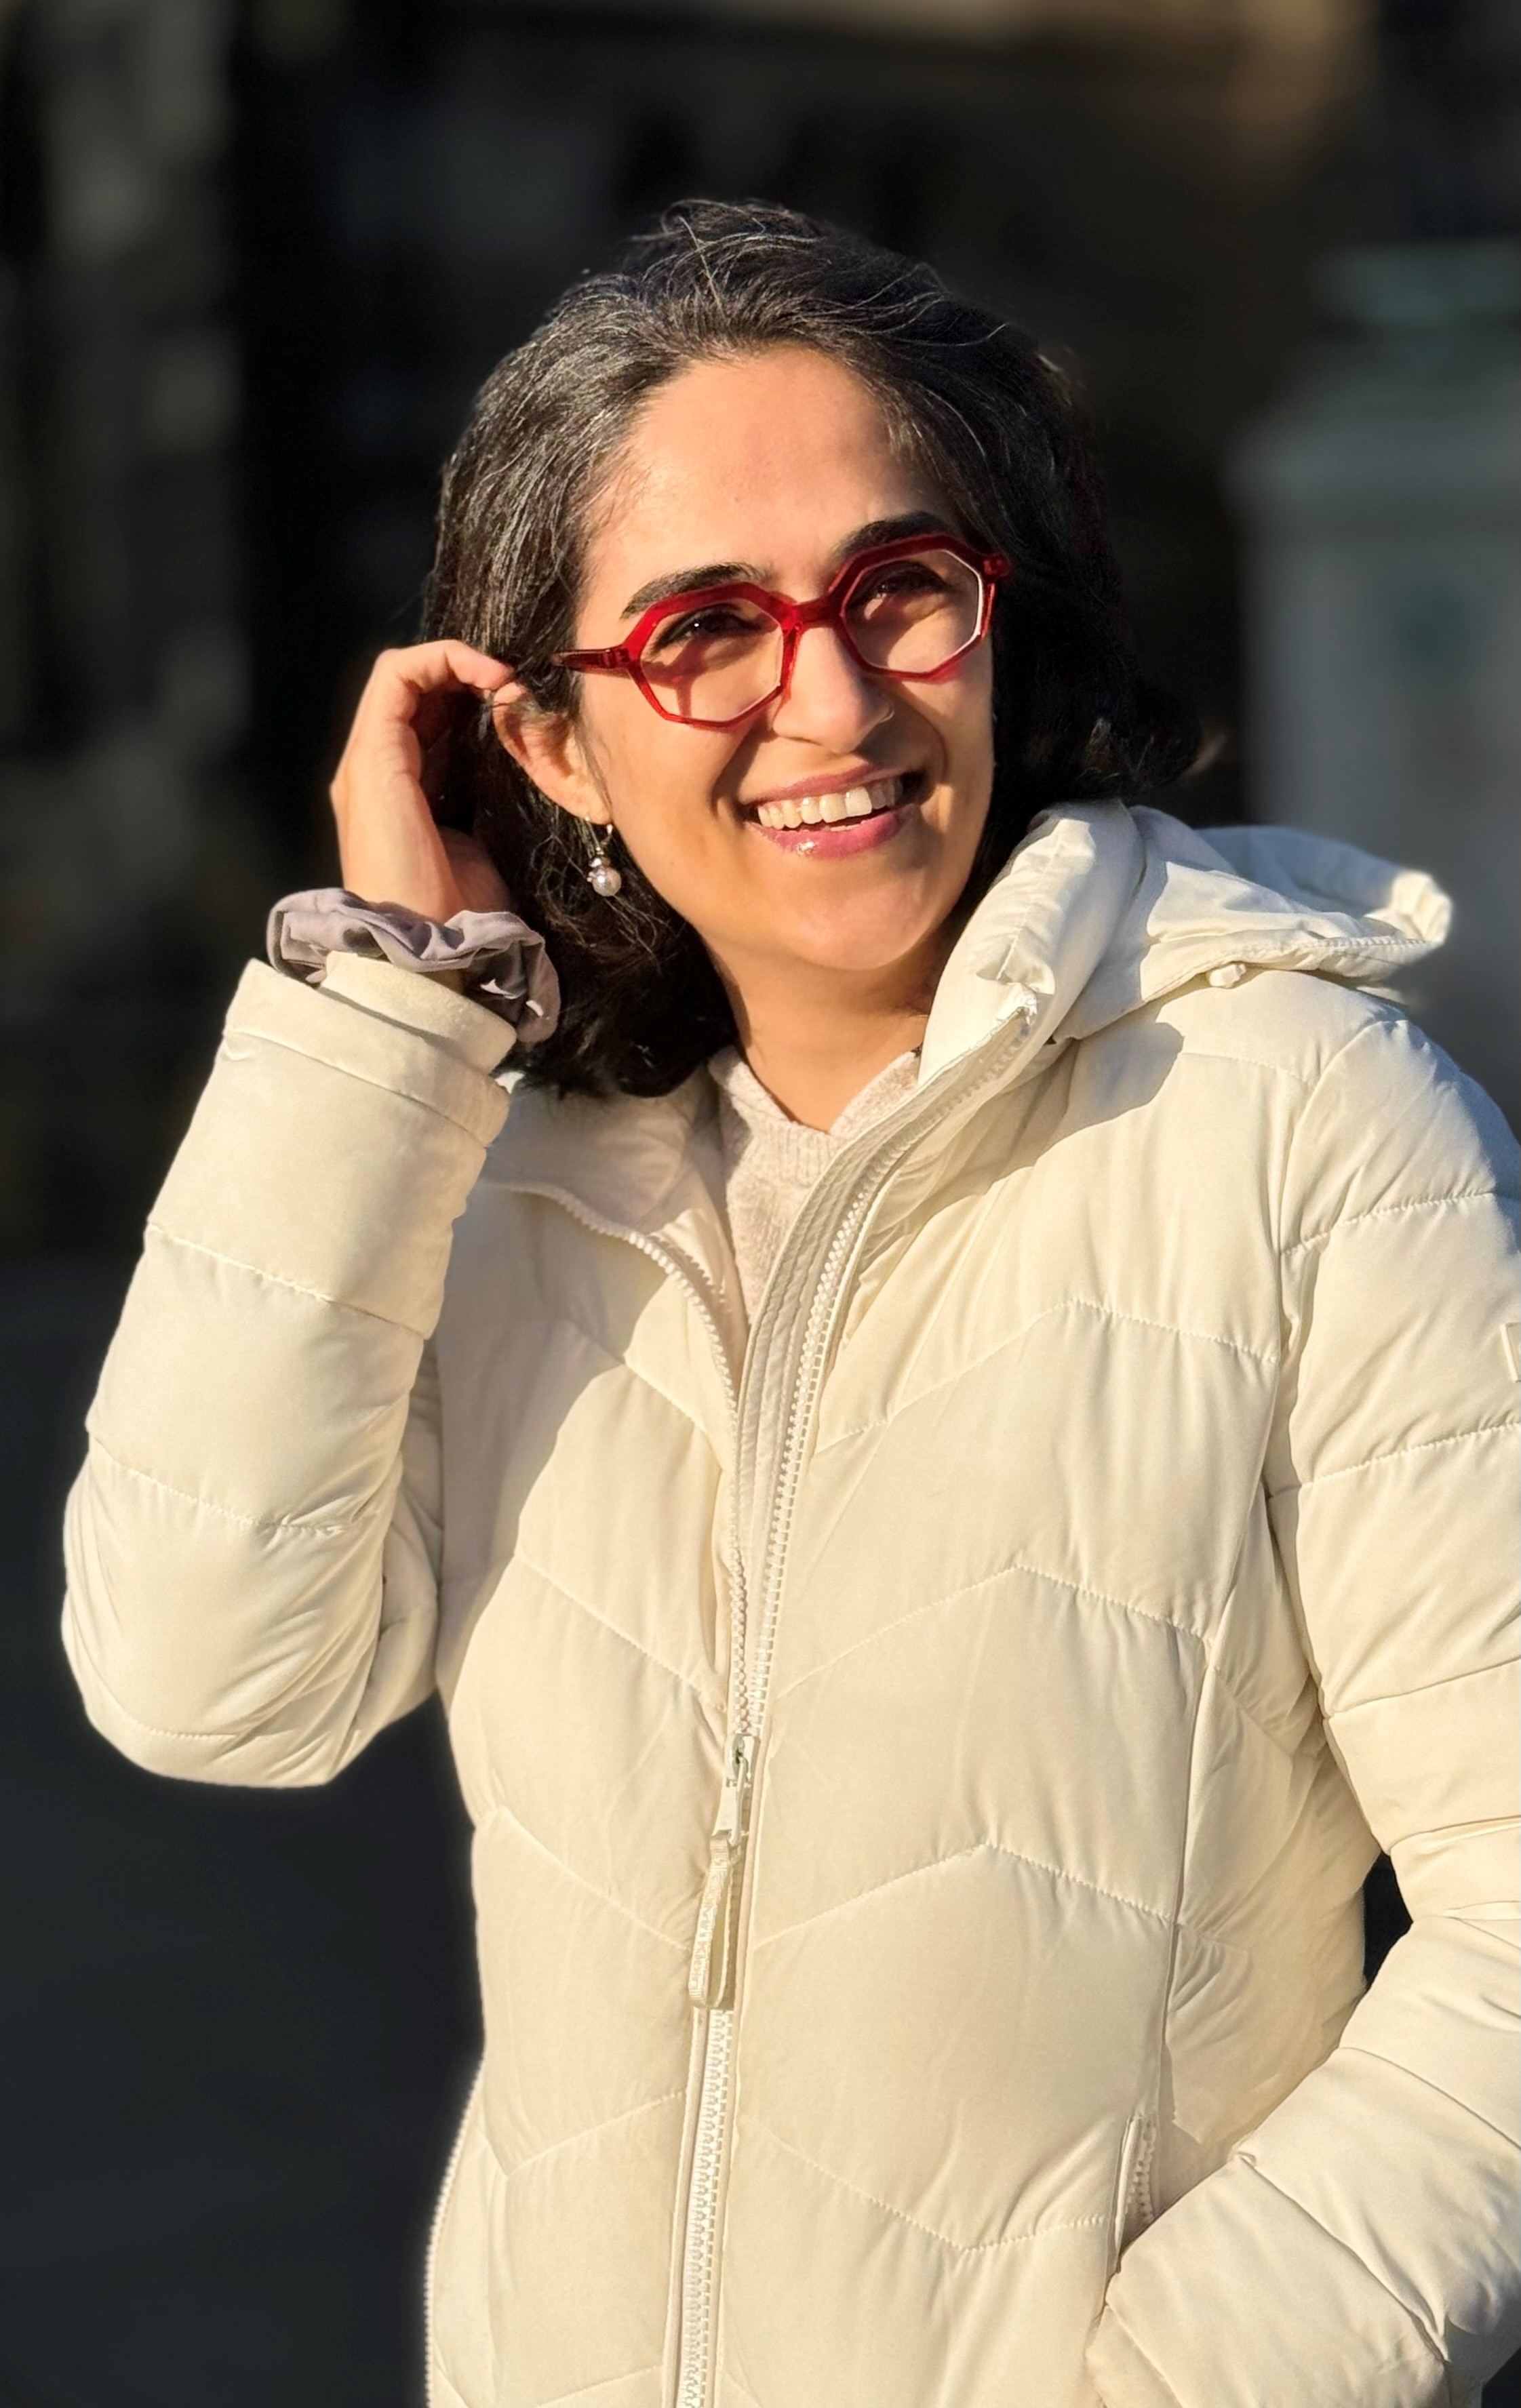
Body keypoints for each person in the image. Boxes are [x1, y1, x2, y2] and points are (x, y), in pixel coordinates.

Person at [62, 201, 1518, 2408]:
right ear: (550, 744)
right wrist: (378, 1014)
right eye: (703, 632)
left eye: (894, 593)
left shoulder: (1307, 1121)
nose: (827, 700)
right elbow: (204, 1683)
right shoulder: (500, 1184)